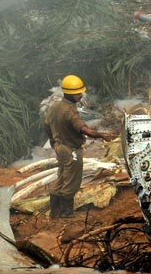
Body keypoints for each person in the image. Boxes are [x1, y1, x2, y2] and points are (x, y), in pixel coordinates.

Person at [43, 75, 117, 218]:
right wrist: (101, 135)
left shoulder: (54, 107)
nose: (81, 95)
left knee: (62, 177)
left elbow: (46, 125)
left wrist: (53, 141)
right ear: (69, 94)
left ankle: (55, 212)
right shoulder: (70, 112)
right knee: (72, 181)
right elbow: (85, 130)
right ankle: (67, 213)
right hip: (71, 150)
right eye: (78, 93)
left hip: (59, 147)